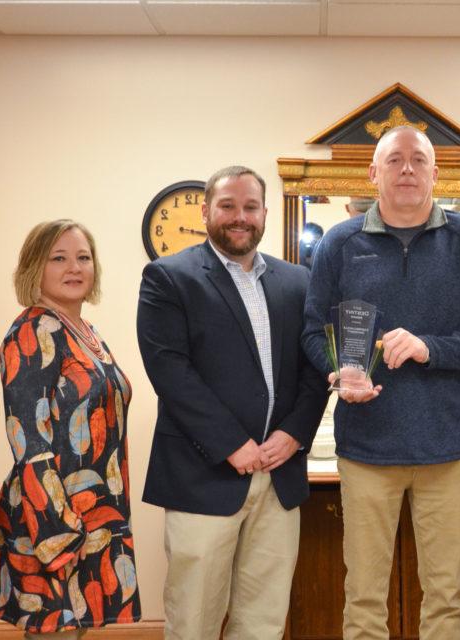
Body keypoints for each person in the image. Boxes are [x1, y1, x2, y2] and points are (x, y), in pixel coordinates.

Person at [302, 126, 460, 639]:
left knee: (446, 596)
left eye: (418, 160)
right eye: (395, 160)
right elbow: (314, 332)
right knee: (363, 596)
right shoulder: (339, 243)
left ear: (435, 174)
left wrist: (431, 348)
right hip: (366, 450)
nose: (407, 169)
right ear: (373, 173)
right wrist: (338, 371)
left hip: (449, 450)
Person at [137, 165, 327, 639]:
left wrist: (293, 434)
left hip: (279, 476)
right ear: (206, 212)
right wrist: (231, 444)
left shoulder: (298, 282)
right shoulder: (168, 278)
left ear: (265, 213)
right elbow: (171, 372)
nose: (239, 217)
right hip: (204, 474)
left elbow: (315, 369)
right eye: (227, 206)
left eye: (250, 207)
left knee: (263, 618)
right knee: (194, 616)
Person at [0, 220, 141, 637]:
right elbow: (27, 441)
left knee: (78, 630)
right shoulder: (33, 330)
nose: (75, 267)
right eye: (59, 258)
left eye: (83, 258)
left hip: (95, 509)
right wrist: (57, 532)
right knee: (57, 631)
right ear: (36, 267)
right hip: (53, 514)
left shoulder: (86, 332)